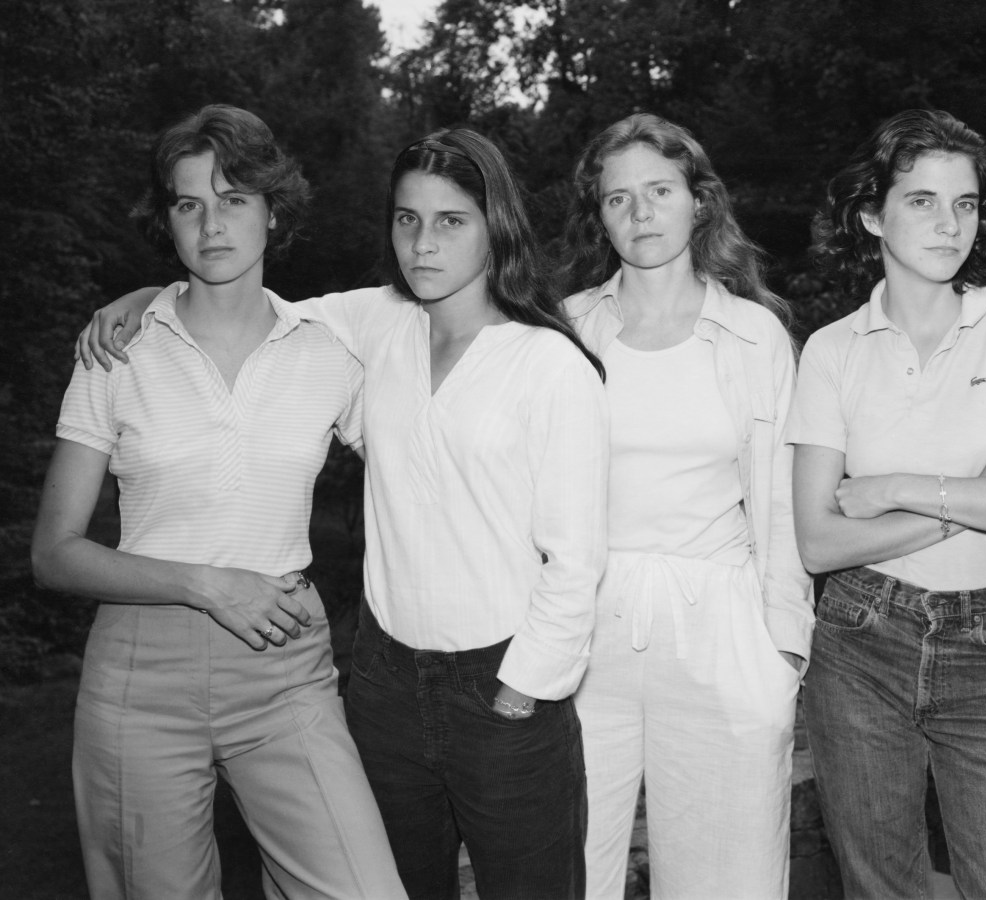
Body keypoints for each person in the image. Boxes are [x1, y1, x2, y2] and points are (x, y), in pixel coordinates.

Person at [77, 127, 610, 900]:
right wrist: (141, 300)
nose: (423, 244)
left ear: (495, 224)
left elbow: (577, 556)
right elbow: (247, 306)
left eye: (450, 220)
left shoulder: (548, 363)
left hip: (505, 682)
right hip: (385, 687)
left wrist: (523, 688)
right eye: (406, 219)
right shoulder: (375, 325)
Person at [32, 105, 407, 900]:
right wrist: (203, 582)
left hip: (284, 664)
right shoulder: (118, 350)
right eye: (188, 202)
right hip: (141, 670)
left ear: (274, 210)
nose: (212, 224)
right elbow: (55, 553)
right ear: (166, 218)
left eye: (234, 199)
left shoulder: (328, 349)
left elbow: (429, 472)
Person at [787, 108, 986, 900]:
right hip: (858, 642)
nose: (948, 223)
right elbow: (817, 543)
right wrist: (984, 487)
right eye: (920, 200)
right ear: (870, 215)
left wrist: (895, 492)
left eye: (965, 203)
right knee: (881, 886)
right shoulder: (830, 351)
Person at [557, 112, 813, 900]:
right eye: (617, 198)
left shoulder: (751, 336)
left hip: (718, 625)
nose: (639, 214)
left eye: (658, 191)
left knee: (724, 880)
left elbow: (778, 499)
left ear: (698, 200)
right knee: (567, 868)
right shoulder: (565, 330)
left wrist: (781, 653)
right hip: (588, 631)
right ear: (597, 214)